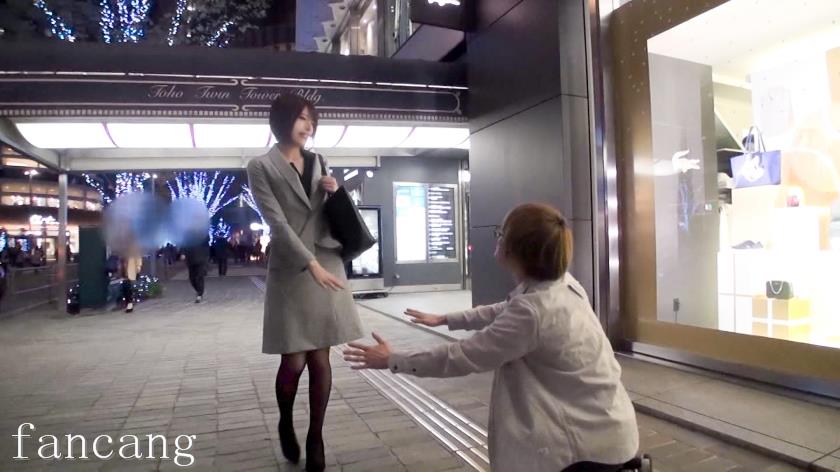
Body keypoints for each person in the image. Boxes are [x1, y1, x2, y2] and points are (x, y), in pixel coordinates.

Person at [344, 203, 639, 472]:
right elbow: (505, 309)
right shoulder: (560, 285)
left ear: (516, 249)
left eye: (501, 233)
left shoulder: (533, 310)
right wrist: (447, 319)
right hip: (608, 428)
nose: (497, 238)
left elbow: (462, 356)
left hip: (585, 448)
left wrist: (392, 359)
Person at [246, 94, 363, 472]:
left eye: (311, 119)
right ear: (281, 120)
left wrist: (334, 190)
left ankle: (316, 437)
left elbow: (329, 213)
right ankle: (285, 421)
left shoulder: (319, 160)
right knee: (293, 361)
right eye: (301, 118)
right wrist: (310, 264)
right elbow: (277, 223)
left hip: (327, 259)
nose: (308, 126)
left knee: (320, 358)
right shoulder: (260, 166)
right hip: (293, 267)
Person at [184, 235, 210, 303]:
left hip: (201, 259)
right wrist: (183, 253)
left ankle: (200, 294)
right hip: (190, 259)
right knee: (192, 278)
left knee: (199, 276)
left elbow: (207, 239)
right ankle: (199, 290)